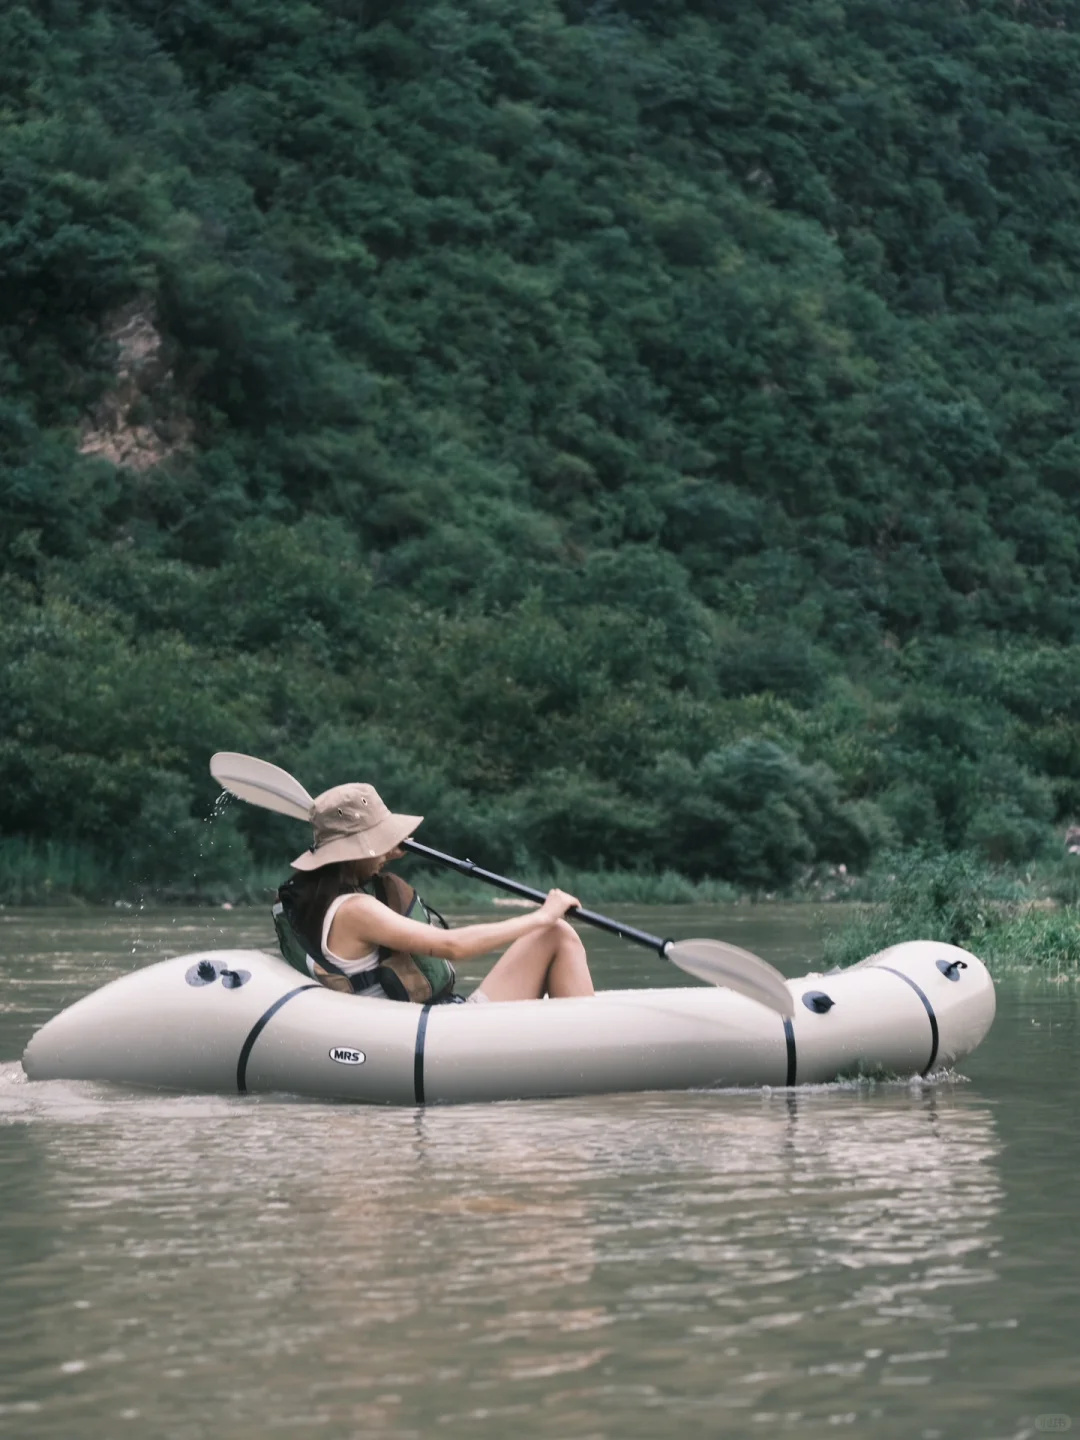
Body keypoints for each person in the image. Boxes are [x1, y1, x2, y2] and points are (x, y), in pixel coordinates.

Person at [273, 782, 594, 1005]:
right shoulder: (357, 910)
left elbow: (369, 865)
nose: (386, 851)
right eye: (378, 842)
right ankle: (595, 1041)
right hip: (441, 1035)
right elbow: (453, 947)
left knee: (553, 931)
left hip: (417, 1027)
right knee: (555, 932)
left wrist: (383, 850)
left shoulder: (320, 901)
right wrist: (542, 915)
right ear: (353, 852)